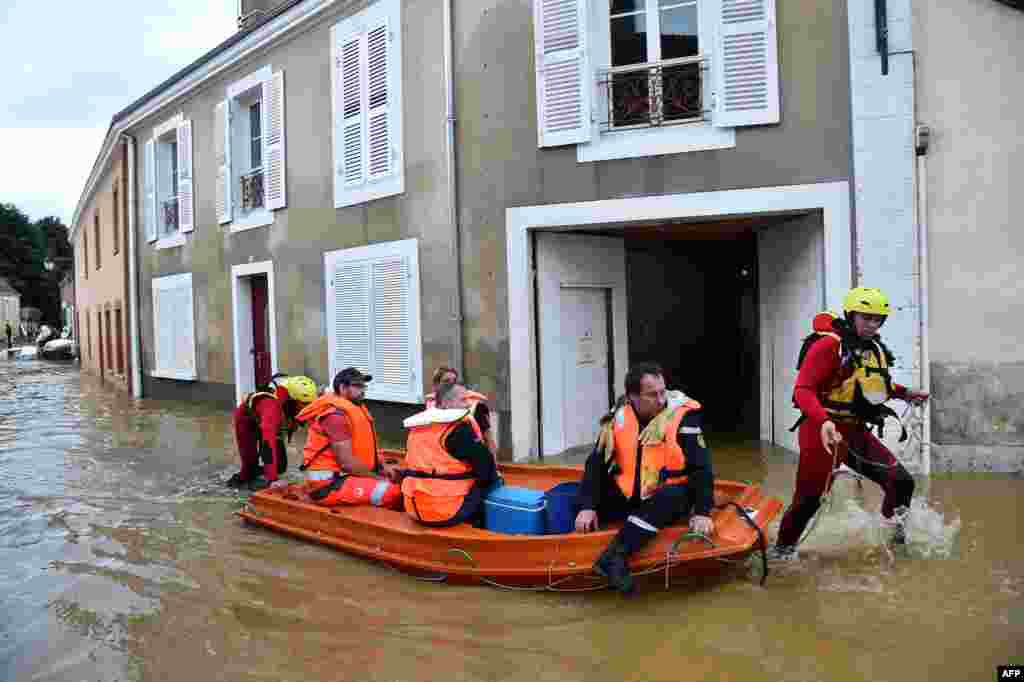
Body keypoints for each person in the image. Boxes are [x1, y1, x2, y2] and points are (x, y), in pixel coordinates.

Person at [772, 287, 930, 559]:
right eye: (866, 318)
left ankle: (891, 544)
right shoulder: (829, 346)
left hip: (854, 431)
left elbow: (874, 384)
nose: (872, 324)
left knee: (902, 482)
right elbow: (803, 390)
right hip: (821, 431)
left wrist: (905, 393)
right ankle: (781, 552)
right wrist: (823, 421)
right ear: (851, 315)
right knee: (809, 501)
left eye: (878, 319)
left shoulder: (874, 349)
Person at [574, 363, 716, 595]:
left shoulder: (684, 418)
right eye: (652, 395)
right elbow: (596, 464)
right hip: (630, 494)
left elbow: (702, 468)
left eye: (663, 391)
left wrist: (702, 511)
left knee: (673, 496)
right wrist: (587, 507)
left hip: (667, 496)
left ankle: (615, 556)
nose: (661, 400)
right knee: (581, 500)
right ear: (632, 397)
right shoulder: (618, 417)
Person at [295, 367, 402, 508]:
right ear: (342, 388)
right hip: (327, 485)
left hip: (346, 475)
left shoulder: (353, 410)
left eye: (364, 385)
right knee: (392, 491)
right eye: (357, 386)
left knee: (401, 476)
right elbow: (347, 463)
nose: (363, 390)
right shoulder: (335, 417)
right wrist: (378, 478)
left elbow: (363, 451)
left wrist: (383, 467)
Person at [397, 382, 499, 527]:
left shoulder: (416, 428)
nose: (468, 404)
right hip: (446, 510)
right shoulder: (458, 429)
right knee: (493, 479)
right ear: (446, 403)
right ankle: (483, 529)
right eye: (463, 400)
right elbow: (486, 468)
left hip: (414, 507)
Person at [228, 374, 317, 490]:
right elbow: (267, 443)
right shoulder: (272, 408)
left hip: (270, 421)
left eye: (310, 403)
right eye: (304, 404)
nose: (309, 407)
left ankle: (261, 476)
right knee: (249, 467)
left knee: (280, 466)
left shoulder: (297, 402)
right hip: (247, 422)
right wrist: (272, 480)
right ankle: (239, 486)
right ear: (292, 400)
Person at [425, 366, 498, 456]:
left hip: (470, 465)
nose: (451, 384)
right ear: (436, 385)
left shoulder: (475, 407)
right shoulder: (430, 406)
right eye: (446, 381)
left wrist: (494, 469)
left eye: (454, 381)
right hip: (437, 464)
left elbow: (489, 441)